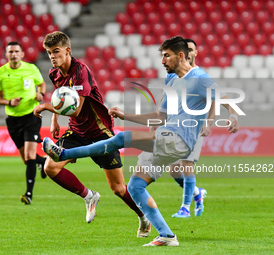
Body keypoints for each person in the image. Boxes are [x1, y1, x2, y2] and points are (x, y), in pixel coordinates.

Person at [42, 36, 240, 246]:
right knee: (135, 187)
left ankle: (65, 154)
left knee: (121, 138)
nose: (162, 61)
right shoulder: (171, 80)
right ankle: (167, 235)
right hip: (165, 136)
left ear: (180, 56)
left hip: (179, 139)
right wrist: (126, 115)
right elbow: (159, 117)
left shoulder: (199, 78)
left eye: (166, 56)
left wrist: (234, 115)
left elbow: (225, 98)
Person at [33, 31, 150, 237]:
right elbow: (60, 96)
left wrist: (46, 107)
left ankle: (143, 216)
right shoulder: (55, 73)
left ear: (68, 51)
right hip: (77, 131)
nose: (52, 56)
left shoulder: (81, 72)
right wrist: (54, 120)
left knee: (118, 189)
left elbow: (75, 108)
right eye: (49, 53)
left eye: (56, 52)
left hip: (100, 133)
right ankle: (89, 196)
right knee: (50, 167)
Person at [0, 42, 47, 205]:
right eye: (10, 52)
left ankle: (29, 194)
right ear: (6, 55)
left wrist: (41, 94)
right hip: (13, 120)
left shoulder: (31, 69)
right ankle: (43, 162)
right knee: (26, 159)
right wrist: (8, 101)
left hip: (31, 116)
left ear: (22, 54)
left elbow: (41, 84)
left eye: (16, 51)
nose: (14, 54)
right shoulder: (0, 73)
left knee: (29, 156)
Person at [167, 38, 213, 218]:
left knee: (187, 164)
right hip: (174, 126)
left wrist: (208, 122)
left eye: (191, 50)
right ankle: (197, 193)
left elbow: (215, 98)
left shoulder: (200, 76)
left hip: (194, 126)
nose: (188, 53)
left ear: (195, 53)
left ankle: (185, 207)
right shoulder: (172, 75)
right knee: (173, 170)